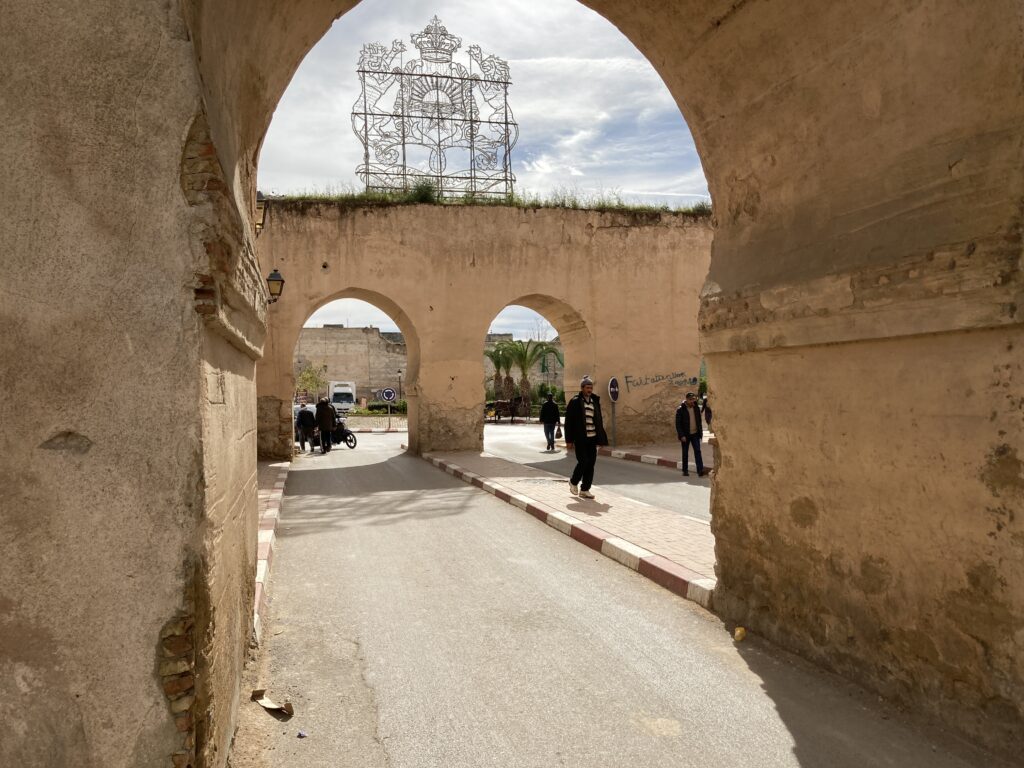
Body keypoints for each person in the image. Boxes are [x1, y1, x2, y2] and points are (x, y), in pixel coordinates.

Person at [563, 375, 608, 499]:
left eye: (591, 387)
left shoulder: (594, 401)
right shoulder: (575, 402)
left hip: (592, 438)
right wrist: (569, 440)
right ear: (582, 388)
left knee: (591, 463)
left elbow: (598, 421)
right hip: (581, 438)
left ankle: (585, 489)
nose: (590, 390)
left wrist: (601, 439)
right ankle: (573, 482)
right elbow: (569, 422)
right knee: (583, 462)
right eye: (587, 387)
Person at [676, 391, 708, 477]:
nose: (692, 401)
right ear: (686, 399)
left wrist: (700, 433)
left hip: (695, 434)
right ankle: (685, 470)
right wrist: (681, 435)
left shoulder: (696, 408)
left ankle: (700, 470)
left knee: (698, 451)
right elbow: (678, 424)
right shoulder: (680, 409)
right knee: (685, 453)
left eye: (693, 399)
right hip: (685, 435)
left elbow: (699, 422)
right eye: (690, 400)